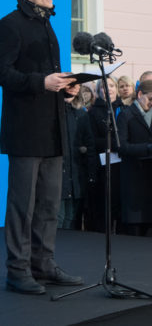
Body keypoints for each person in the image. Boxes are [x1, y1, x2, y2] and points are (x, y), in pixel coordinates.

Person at [0, 0, 81, 294]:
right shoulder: (9, 26)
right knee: (23, 206)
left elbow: (49, 79)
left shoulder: (48, 25)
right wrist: (41, 82)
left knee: (49, 204)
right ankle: (17, 270)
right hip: (25, 132)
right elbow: (3, 75)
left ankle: (43, 263)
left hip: (52, 129)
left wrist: (66, 88)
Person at [117, 80, 152, 237]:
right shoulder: (126, 115)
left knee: (150, 224)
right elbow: (121, 146)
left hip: (151, 176)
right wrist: (146, 148)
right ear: (139, 95)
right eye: (149, 99)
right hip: (133, 177)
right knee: (134, 227)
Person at [87, 77, 122, 233]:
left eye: (112, 85)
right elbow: (92, 140)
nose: (108, 89)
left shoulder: (124, 108)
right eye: (104, 86)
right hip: (103, 166)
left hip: (122, 165)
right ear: (99, 90)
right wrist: (113, 143)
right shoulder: (94, 112)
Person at [59, 83, 96, 230]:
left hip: (77, 175)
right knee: (59, 216)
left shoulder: (82, 114)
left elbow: (90, 144)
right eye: (69, 86)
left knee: (72, 217)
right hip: (59, 174)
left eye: (75, 86)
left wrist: (91, 174)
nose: (72, 89)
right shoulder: (54, 112)